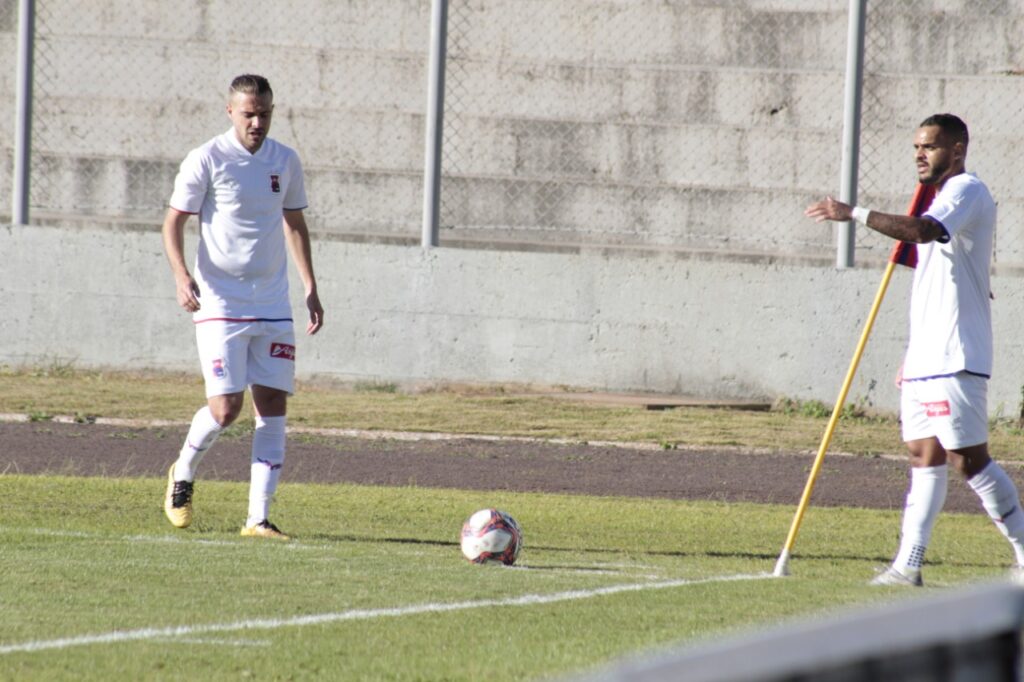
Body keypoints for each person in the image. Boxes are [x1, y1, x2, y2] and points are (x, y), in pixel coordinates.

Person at [805, 113, 1024, 586]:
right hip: (927, 357)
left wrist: (854, 213)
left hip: (955, 356)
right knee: (924, 458)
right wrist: (912, 352)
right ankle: (909, 565)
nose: (920, 155)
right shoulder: (942, 197)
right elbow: (932, 281)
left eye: (930, 146)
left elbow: (923, 232)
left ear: (958, 149)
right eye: (916, 147)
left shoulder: (967, 191)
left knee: (969, 459)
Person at [161, 74, 324, 540]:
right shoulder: (207, 158)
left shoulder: (285, 161)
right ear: (229, 111)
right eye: (249, 113)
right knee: (227, 407)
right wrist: (180, 275)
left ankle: (258, 518)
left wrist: (309, 285)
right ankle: (183, 472)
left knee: (272, 405)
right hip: (219, 300)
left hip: (272, 302)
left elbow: (294, 224)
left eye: (265, 113)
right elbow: (173, 222)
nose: (257, 122)